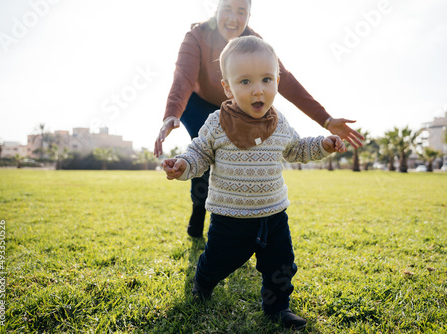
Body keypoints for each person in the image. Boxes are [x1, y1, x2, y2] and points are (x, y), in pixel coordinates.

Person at [161, 36, 347, 330]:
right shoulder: (216, 123)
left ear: (276, 81)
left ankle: (278, 307)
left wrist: (323, 144)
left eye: (266, 79)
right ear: (228, 88)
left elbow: (297, 148)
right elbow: (198, 153)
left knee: (281, 263)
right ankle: (203, 282)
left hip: (273, 214)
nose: (258, 89)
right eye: (245, 82)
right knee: (217, 262)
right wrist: (183, 165)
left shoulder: (279, 123)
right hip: (229, 217)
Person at [154, 0, 363, 238]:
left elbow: (285, 80)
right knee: (203, 151)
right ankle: (199, 209)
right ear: (216, 11)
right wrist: (172, 113)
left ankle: (244, 211)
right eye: (227, 10)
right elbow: (183, 76)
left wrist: (325, 119)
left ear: (249, 16)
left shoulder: (254, 44)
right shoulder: (197, 35)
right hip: (197, 104)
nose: (233, 18)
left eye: (241, 11)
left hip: (239, 102)